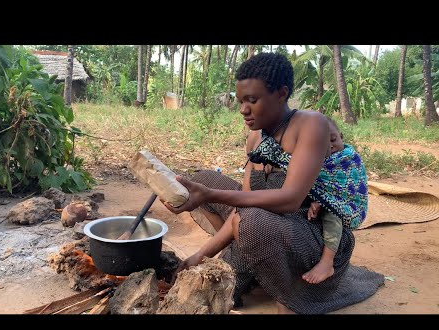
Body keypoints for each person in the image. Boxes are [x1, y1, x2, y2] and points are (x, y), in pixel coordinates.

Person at [164, 52, 383, 314]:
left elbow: (290, 200)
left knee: (251, 221)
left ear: (281, 93)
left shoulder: (312, 125)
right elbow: (240, 209)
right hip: (258, 223)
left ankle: (287, 294)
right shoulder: (256, 137)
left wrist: (211, 202)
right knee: (203, 179)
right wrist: (200, 255)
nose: (244, 109)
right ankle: (249, 253)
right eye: (240, 101)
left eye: (252, 100)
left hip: (310, 231)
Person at [303, 117, 366, 284]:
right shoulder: (315, 160)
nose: (330, 145)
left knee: (333, 215)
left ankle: (327, 262)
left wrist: (324, 201)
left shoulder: (350, 158)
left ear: (341, 136)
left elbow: (348, 189)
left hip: (346, 206)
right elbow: (314, 184)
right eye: (323, 143)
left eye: (333, 139)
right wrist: (317, 199)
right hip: (322, 203)